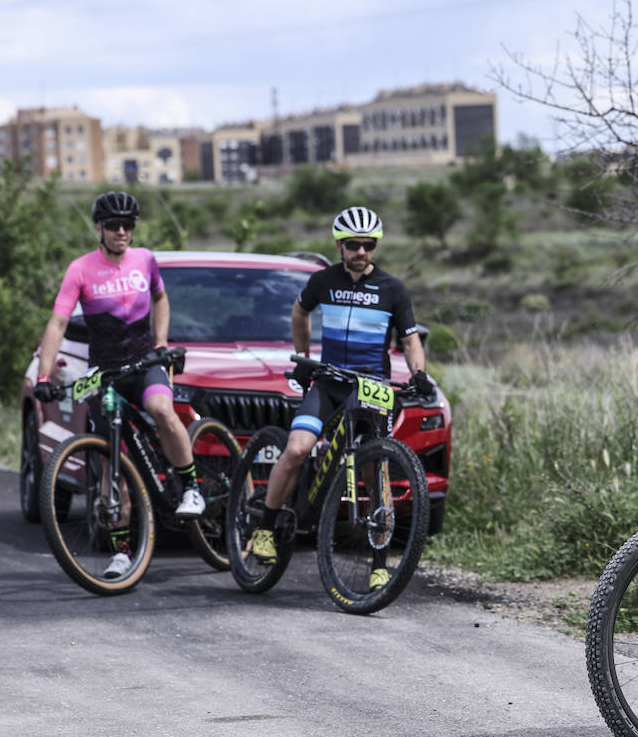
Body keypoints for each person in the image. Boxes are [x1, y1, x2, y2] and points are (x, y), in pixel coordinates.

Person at [249, 205, 435, 585]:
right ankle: (265, 528)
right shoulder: (323, 281)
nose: (361, 252)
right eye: (353, 245)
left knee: (374, 467)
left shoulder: (392, 289)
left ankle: (380, 565)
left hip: (372, 386)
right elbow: (299, 312)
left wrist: (419, 374)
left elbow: (411, 338)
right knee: (298, 448)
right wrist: (303, 358)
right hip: (330, 381)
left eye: (368, 245)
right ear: (339, 245)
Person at [32, 191, 204, 580]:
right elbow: (57, 324)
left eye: (128, 225)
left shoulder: (145, 260)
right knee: (114, 466)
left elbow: (161, 298)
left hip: (145, 362)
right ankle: (122, 552)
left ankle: (191, 486)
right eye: (114, 226)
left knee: (162, 410)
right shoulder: (81, 269)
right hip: (106, 372)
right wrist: (45, 377)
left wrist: (161, 343)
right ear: (100, 229)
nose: (122, 231)